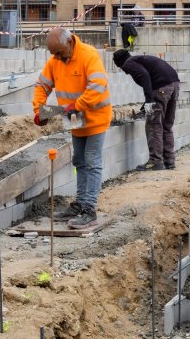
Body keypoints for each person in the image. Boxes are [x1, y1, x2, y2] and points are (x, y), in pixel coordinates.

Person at [33, 27, 112, 228]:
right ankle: (80, 204)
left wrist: (77, 105)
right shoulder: (55, 60)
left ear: (69, 42)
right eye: (54, 54)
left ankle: (89, 209)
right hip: (75, 119)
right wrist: (38, 110)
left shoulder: (88, 55)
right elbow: (41, 86)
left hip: (95, 118)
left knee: (92, 161)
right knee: (79, 161)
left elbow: (98, 84)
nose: (58, 58)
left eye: (60, 53)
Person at [113, 49, 180, 170]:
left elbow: (145, 76)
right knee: (166, 125)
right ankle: (169, 161)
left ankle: (155, 161)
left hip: (162, 87)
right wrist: (145, 106)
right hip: (174, 85)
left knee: (154, 125)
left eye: (121, 68)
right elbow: (153, 84)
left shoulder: (128, 62)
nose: (124, 71)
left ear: (121, 63)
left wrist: (149, 101)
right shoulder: (141, 60)